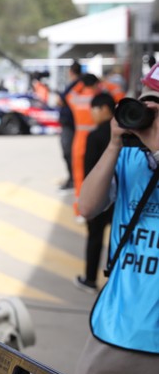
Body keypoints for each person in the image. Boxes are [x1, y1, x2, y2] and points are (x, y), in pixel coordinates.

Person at [74, 64, 159, 374]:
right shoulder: (128, 156)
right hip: (115, 330)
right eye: (146, 105)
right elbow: (87, 207)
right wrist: (113, 146)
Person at [74, 92, 115, 293]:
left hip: (100, 196)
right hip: (122, 197)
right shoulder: (129, 134)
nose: (91, 113)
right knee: (119, 238)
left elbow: (89, 170)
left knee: (95, 238)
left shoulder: (96, 135)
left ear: (105, 109)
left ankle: (90, 279)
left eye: (94, 109)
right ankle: (115, 280)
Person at [65, 72, 101, 218]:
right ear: (95, 84)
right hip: (96, 142)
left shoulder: (76, 99)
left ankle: (79, 211)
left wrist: (81, 82)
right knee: (97, 176)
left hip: (79, 141)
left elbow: (69, 95)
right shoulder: (98, 100)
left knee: (79, 177)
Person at [58, 60, 81, 191]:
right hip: (75, 124)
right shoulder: (78, 85)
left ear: (71, 72)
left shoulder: (75, 85)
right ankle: (73, 179)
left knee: (69, 153)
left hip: (71, 125)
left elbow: (62, 100)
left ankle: (73, 180)